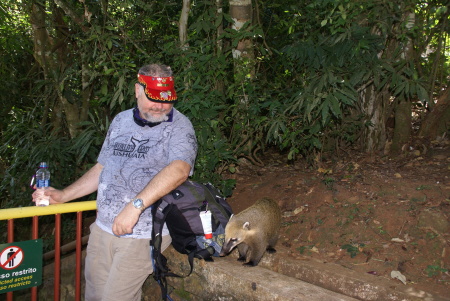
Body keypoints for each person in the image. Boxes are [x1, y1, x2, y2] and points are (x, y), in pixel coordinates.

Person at [32, 64, 198, 301]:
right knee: (94, 296)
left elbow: (180, 170)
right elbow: (102, 168)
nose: (160, 106)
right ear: (137, 90)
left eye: (166, 99)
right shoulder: (120, 121)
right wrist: (64, 196)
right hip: (102, 229)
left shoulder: (180, 126)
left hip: (142, 232)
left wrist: (135, 206)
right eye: (153, 98)